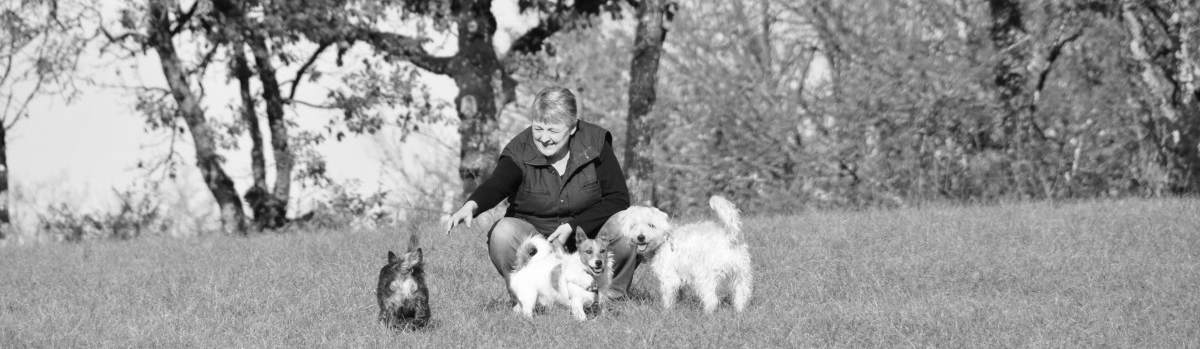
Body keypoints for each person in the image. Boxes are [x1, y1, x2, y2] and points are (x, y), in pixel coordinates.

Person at [445, 86, 636, 301]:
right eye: (538, 129)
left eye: (553, 131)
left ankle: (608, 300)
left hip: (589, 238)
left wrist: (572, 227)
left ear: (572, 127)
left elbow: (618, 199)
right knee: (503, 232)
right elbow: (497, 183)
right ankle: (531, 300)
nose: (544, 138)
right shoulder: (519, 149)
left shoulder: (596, 142)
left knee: (627, 223)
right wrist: (473, 204)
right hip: (540, 244)